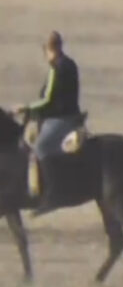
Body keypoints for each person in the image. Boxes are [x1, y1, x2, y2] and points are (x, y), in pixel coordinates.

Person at [14, 31, 82, 216]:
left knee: (41, 147)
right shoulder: (68, 64)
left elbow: (47, 99)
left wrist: (26, 108)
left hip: (62, 119)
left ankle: (51, 195)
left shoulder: (57, 67)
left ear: (48, 50)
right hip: (64, 116)